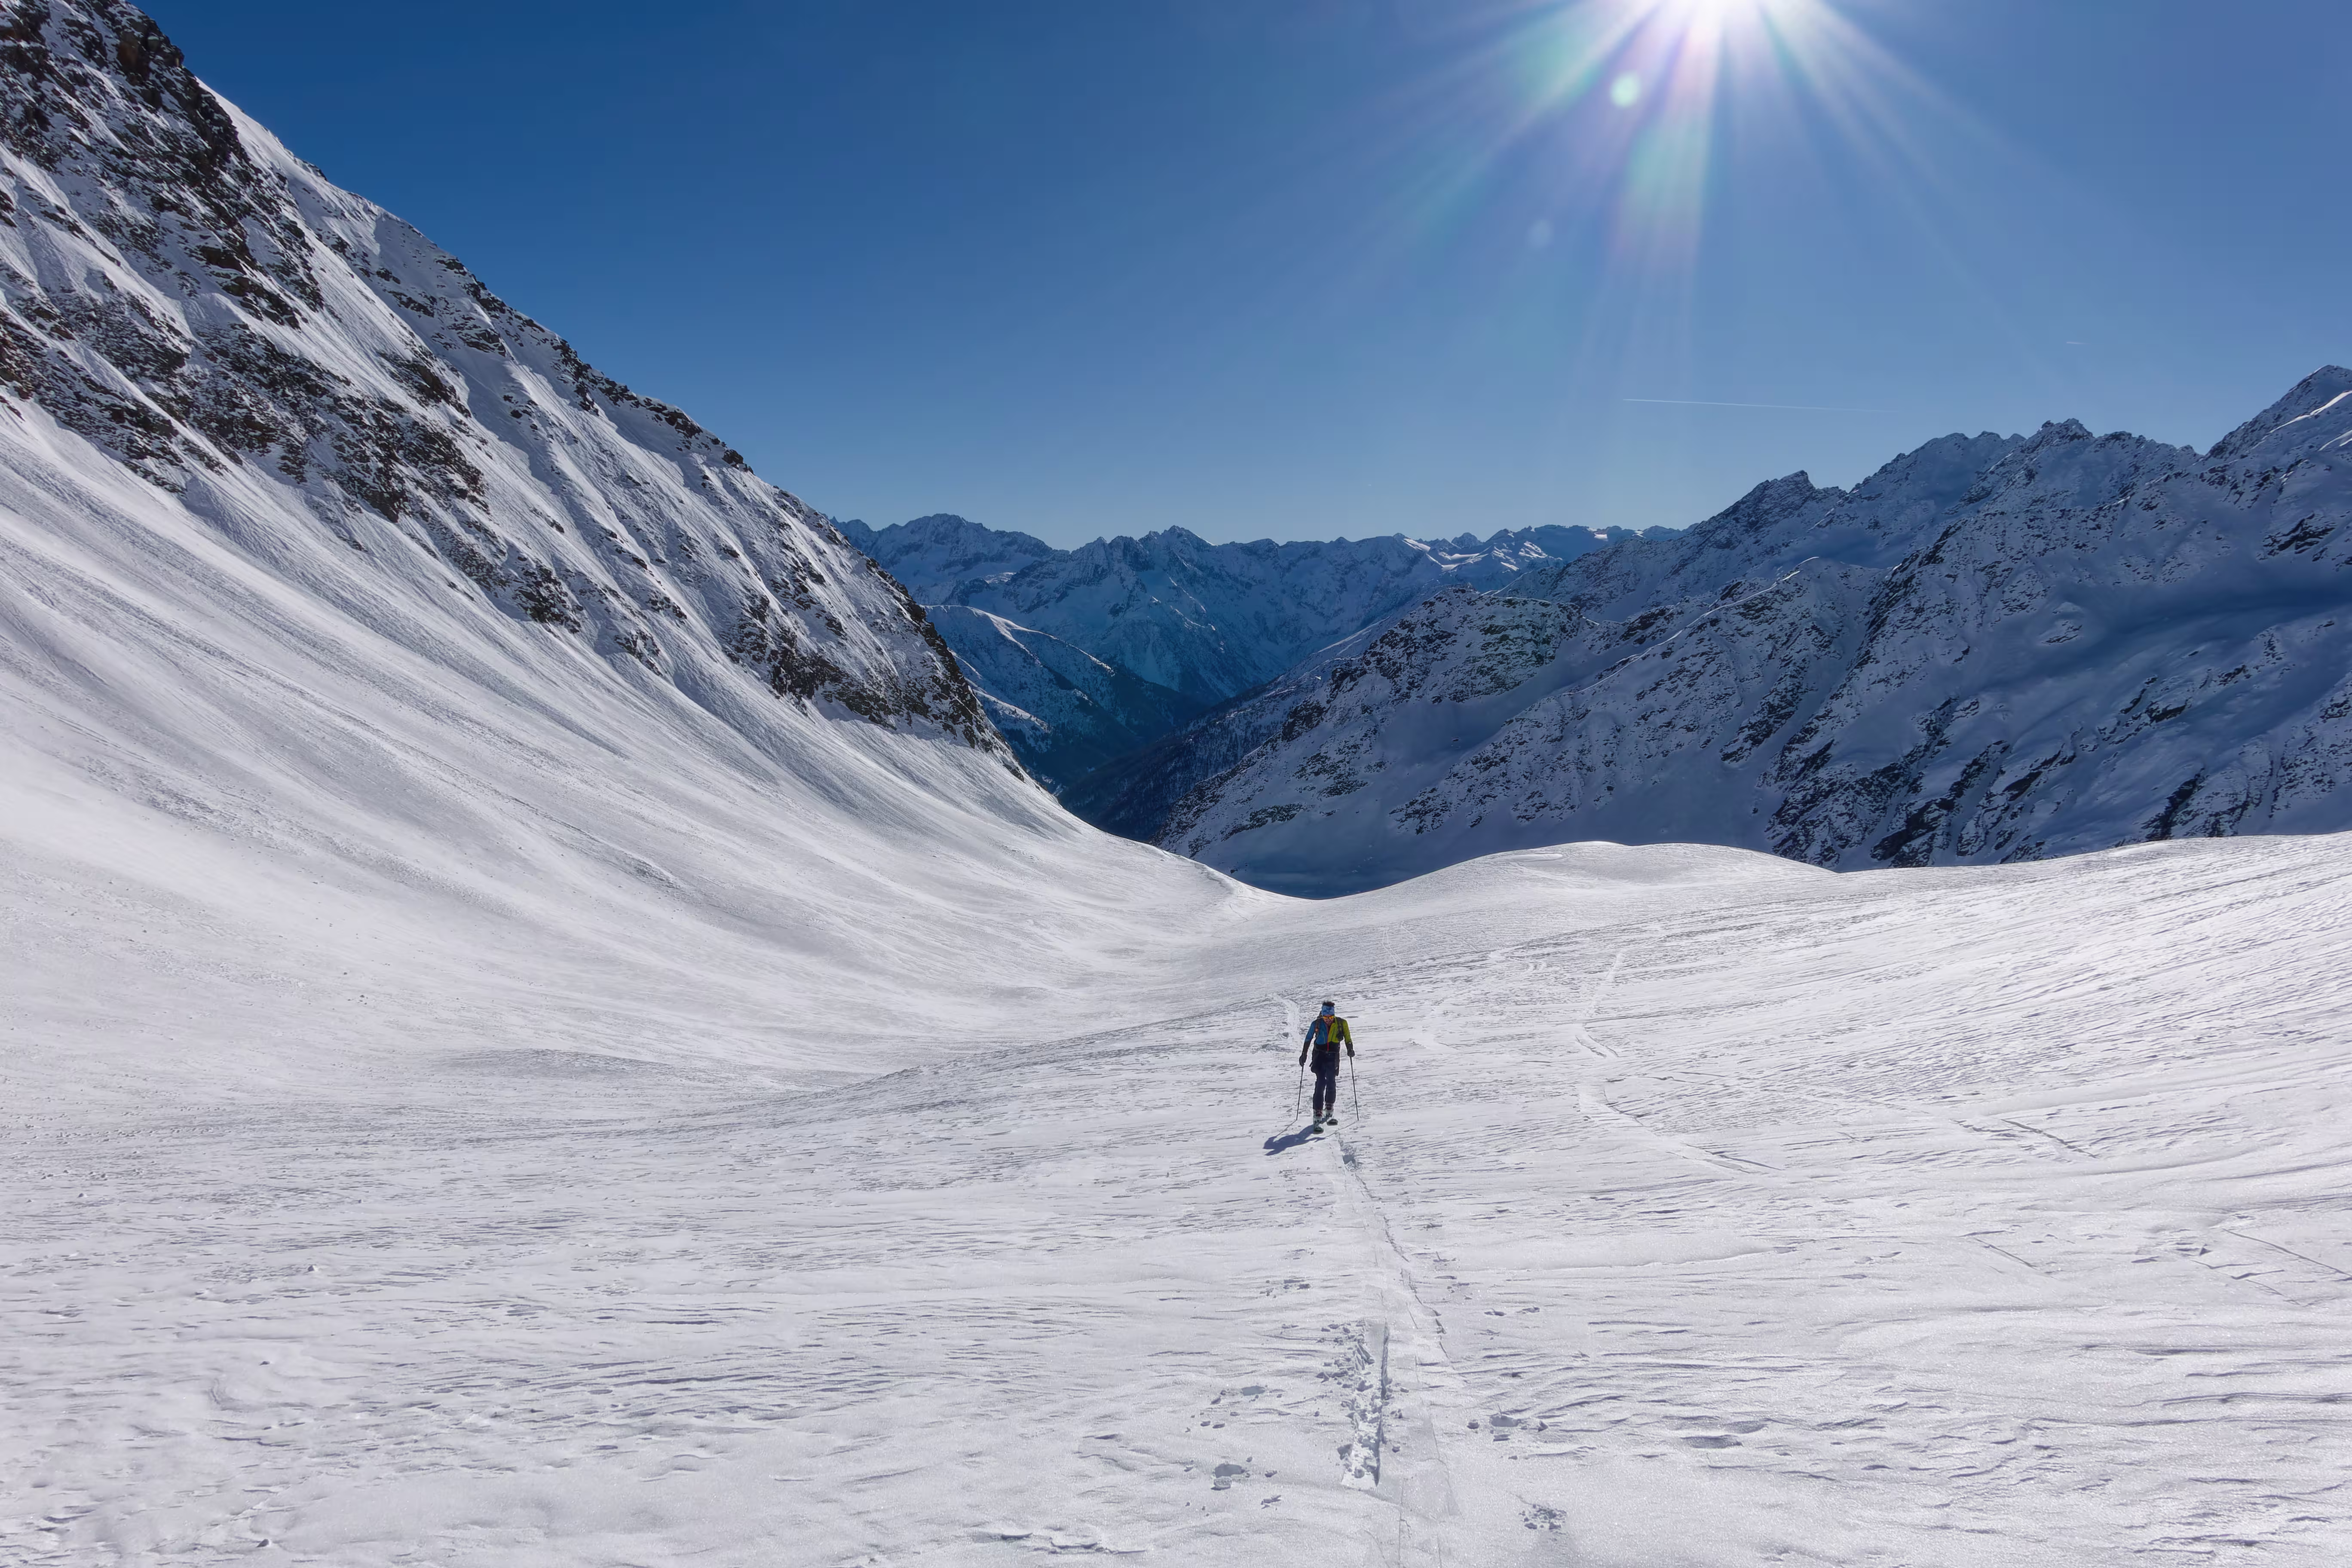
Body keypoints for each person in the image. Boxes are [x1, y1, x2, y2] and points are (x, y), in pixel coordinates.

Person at [1298, 1001, 1354, 1127]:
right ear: (1322, 1016)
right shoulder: (1316, 1024)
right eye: (1325, 1017)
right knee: (1321, 1082)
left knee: (1331, 1081)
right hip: (1319, 1056)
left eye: (1330, 1017)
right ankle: (1318, 1111)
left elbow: (1348, 1037)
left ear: (1334, 1016)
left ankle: (1329, 1107)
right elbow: (1308, 1038)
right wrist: (1304, 1054)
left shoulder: (1342, 1024)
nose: (1328, 1020)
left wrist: (1350, 1048)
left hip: (1333, 1056)